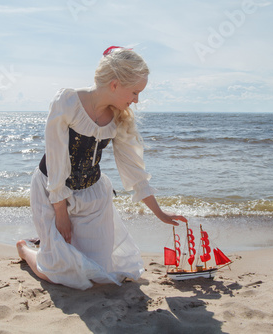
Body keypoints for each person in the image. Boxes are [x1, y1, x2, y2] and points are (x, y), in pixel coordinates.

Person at [16, 46, 187, 290]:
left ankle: (51, 243)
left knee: (99, 274)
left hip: (92, 197)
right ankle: (25, 248)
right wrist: (61, 213)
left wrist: (160, 213)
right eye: (135, 92)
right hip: (53, 191)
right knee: (61, 273)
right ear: (115, 85)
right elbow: (55, 161)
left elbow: (134, 171)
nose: (136, 100)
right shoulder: (67, 102)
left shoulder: (119, 117)